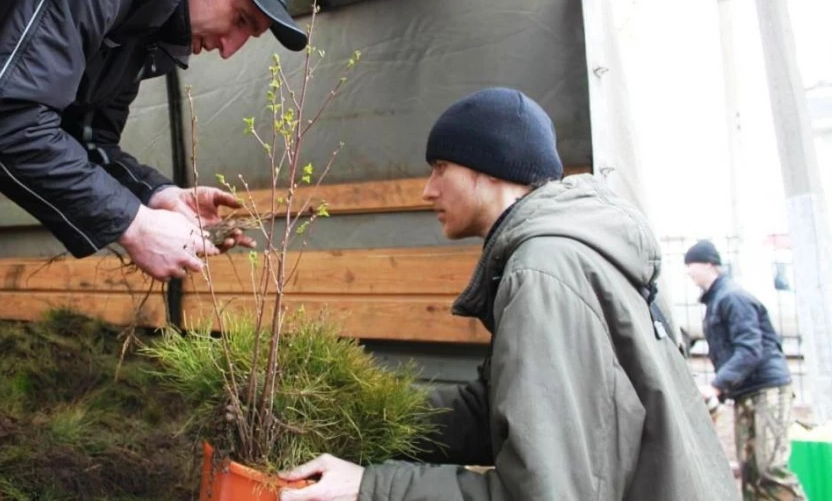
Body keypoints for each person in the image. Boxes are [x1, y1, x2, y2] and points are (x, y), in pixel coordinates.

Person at [0, 0, 306, 496]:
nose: (229, 50)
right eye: (239, 21)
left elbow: (85, 138)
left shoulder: (145, 21)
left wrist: (157, 196)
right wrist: (132, 225)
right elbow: (0, 121)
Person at [279, 88, 737, 500]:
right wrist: (364, 414)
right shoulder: (570, 252)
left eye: (441, 168)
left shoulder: (542, 270)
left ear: (491, 168)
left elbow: (544, 492)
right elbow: (499, 412)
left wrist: (371, 487)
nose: (427, 190)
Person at [684, 240, 806, 500]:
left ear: (709, 264)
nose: (688, 271)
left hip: (767, 390)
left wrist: (717, 385)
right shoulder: (716, 301)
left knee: (769, 469)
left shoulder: (732, 298)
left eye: (691, 264)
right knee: (751, 475)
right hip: (746, 393)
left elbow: (750, 349)